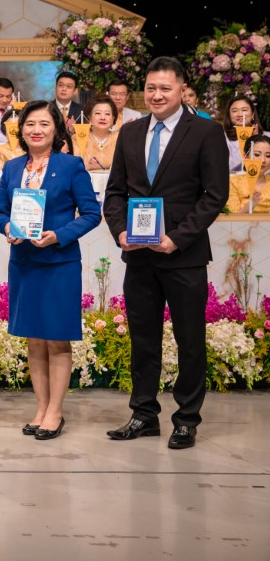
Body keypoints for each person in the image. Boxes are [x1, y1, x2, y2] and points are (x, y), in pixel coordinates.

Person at [103, 56, 229, 450]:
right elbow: (115, 193)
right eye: (151, 88)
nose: (156, 95)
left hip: (183, 256)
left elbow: (214, 195)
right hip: (139, 256)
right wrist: (120, 231)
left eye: (165, 88)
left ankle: (187, 419)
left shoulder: (206, 131)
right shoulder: (130, 131)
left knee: (190, 340)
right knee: (143, 339)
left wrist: (177, 237)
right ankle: (143, 414)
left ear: (181, 89)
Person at [0, 101, 101, 440]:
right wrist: (7, 227)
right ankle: (41, 407)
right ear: (20, 130)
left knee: (56, 337)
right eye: (30, 124)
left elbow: (91, 214)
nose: (36, 130)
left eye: (43, 124)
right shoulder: (12, 167)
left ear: (56, 129)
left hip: (58, 263)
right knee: (34, 338)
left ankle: (56, 411)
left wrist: (59, 235)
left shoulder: (70, 165)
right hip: (24, 262)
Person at [73, 95, 119, 172]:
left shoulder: (119, 138)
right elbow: (73, 167)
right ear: (89, 117)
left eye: (107, 114)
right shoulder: (78, 138)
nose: (103, 117)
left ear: (113, 119)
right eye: (98, 113)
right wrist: (87, 166)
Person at [227, 134, 270, 213]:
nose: (263, 160)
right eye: (257, 154)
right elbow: (232, 218)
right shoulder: (233, 182)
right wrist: (251, 204)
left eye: (268, 156)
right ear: (246, 157)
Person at [222, 94, 262, 173]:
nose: (240, 114)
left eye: (244, 110)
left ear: (252, 114)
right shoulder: (221, 137)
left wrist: (256, 142)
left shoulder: (267, 137)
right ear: (229, 115)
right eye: (234, 111)